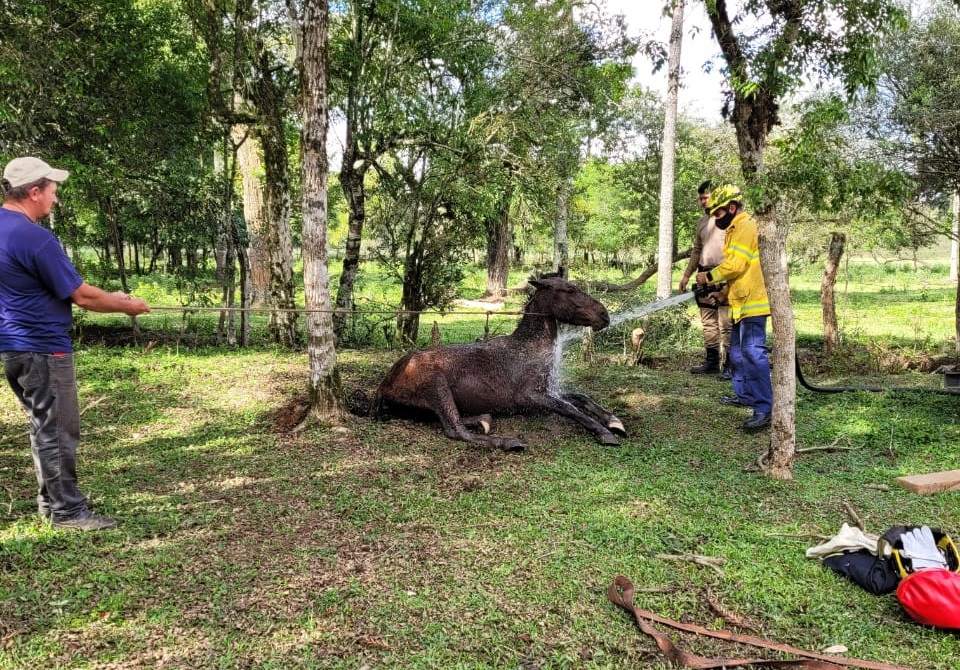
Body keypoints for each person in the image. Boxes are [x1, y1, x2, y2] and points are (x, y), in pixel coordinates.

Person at [1, 156, 151, 531]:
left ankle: (50, 504)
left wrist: (114, 297)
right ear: (34, 191)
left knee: (42, 427)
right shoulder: (34, 237)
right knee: (57, 430)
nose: (55, 198)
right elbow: (82, 297)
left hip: (14, 348)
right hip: (43, 348)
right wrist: (127, 306)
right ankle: (68, 512)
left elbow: (39, 287)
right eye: (52, 191)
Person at [694, 184, 772, 432]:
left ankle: (763, 409)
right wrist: (724, 291)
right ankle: (745, 396)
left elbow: (736, 265)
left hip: (753, 303)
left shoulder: (746, 225)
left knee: (752, 353)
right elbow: (742, 270)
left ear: (731, 207)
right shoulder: (734, 229)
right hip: (739, 301)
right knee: (737, 353)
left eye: (717, 213)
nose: (715, 218)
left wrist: (709, 277)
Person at [679, 180, 732, 379]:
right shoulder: (702, 222)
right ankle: (711, 362)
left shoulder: (728, 221)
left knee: (726, 322)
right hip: (704, 275)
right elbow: (697, 250)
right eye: (700, 198)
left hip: (724, 275)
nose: (702, 202)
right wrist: (686, 275)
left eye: (706, 197)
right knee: (708, 321)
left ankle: (729, 364)